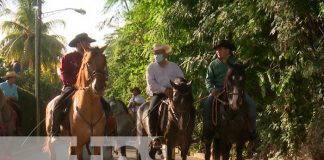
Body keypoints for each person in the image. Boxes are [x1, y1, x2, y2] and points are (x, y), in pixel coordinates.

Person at [51, 33, 110, 140]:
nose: (87, 44)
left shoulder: (93, 56)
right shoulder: (68, 57)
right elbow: (63, 73)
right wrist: (73, 84)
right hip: (72, 86)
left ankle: (106, 132)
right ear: (78, 44)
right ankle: (55, 132)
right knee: (58, 104)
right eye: (85, 41)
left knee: (106, 106)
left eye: (88, 42)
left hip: (90, 88)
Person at [203, 39, 257, 141]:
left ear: (228, 50)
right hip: (218, 90)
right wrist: (211, 89)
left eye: (220, 49)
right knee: (206, 105)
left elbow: (242, 78)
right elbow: (208, 79)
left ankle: (252, 131)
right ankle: (207, 131)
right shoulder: (213, 64)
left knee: (251, 104)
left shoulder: (236, 63)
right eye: (217, 49)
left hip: (235, 90)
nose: (217, 51)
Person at [146, 43, 184, 148]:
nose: (156, 55)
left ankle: (187, 135)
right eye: (155, 53)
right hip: (158, 94)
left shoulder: (174, 66)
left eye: (159, 53)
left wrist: (174, 89)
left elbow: (181, 79)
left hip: (174, 93)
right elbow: (151, 83)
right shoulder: (151, 67)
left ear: (164, 54)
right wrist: (164, 89)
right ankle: (155, 138)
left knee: (186, 107)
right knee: (152, 110)